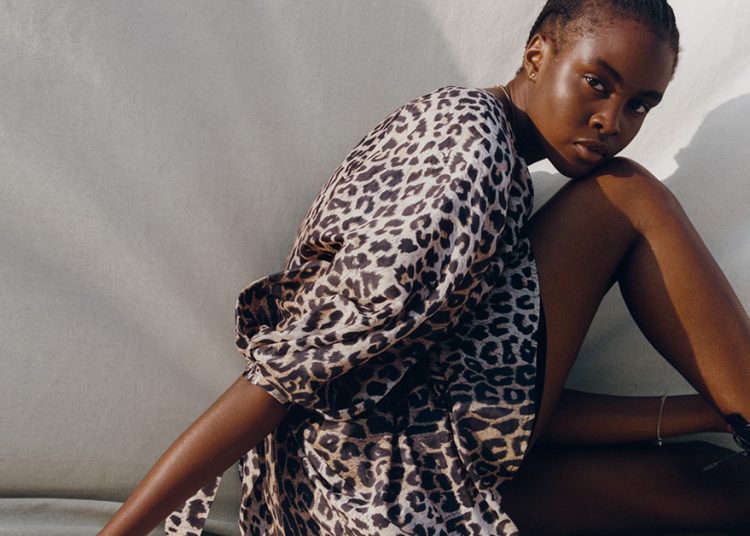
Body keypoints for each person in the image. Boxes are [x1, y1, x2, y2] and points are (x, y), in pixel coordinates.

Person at [100, 1, 750, 534]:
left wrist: (708, 414)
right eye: (597, 84)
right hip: (377, 496)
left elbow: (492, 393)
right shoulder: (469, 155)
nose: (612, 121)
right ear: (536, 55)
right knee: (629, 194)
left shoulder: (477, 140)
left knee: (715, 484)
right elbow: (284, 376)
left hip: (410, 475)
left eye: (640, 105)